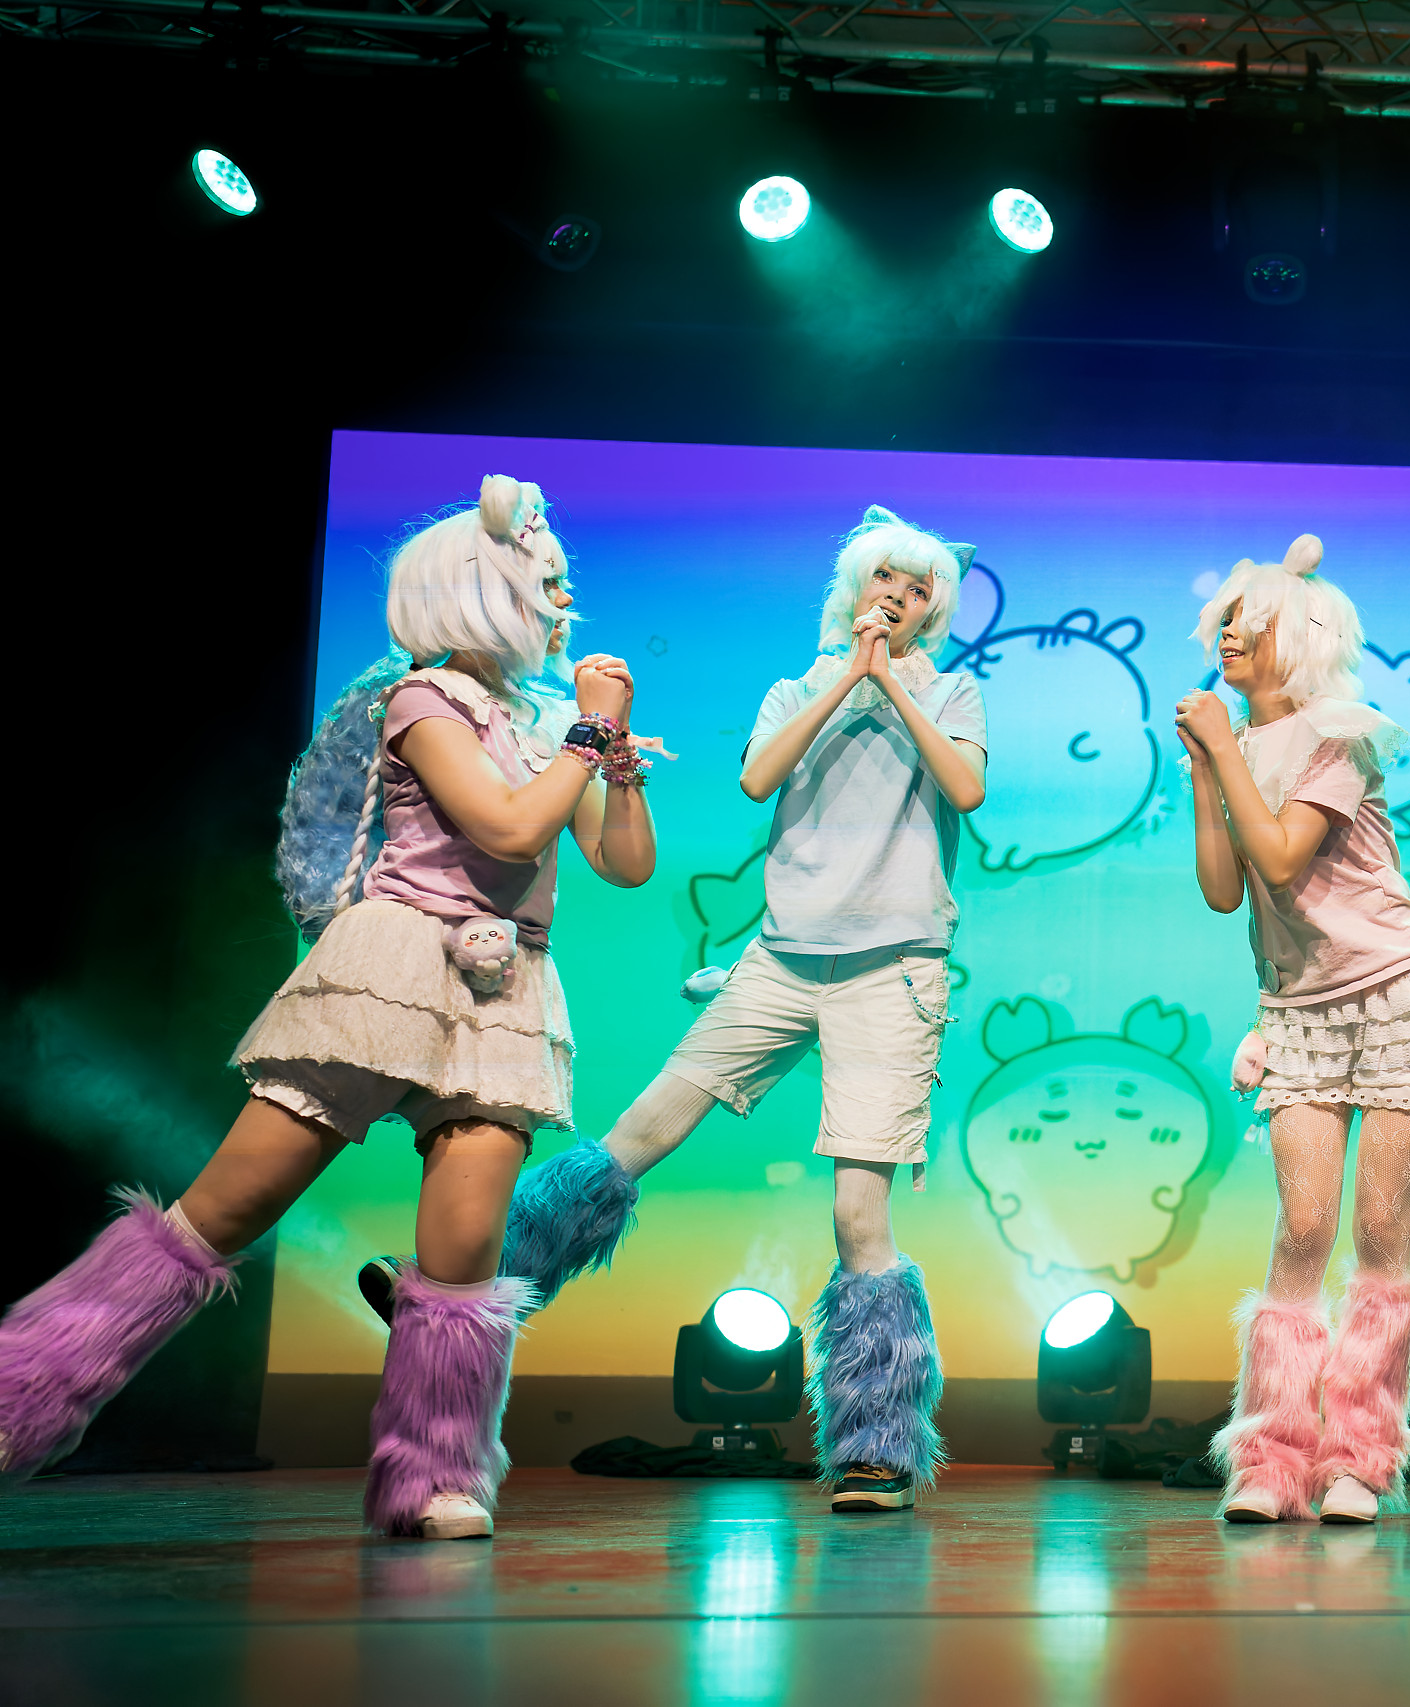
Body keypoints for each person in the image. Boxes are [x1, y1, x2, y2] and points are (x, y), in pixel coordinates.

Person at [0, 476, 656, 1539]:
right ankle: (20, 1394)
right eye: (548, 582)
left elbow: (623, 863)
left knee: (465, 1247)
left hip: (507, 983)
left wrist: (614, 761)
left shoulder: (542, 723)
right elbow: (504, 828)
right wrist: (586, 733)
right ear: (480, 591)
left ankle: (433, 1474)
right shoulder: (422, 700)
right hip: (394, 964)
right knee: (224, 1209)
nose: (564, 602)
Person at [473, 505, 985, 1517]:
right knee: (640, 1130)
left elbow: (964, 789)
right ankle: (469, 1285)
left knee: (858, 1212)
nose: (898, 596)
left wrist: (892, 681)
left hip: (894, 971)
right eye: (885, 578)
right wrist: (847, 677)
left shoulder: (953, 690)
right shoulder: (798, 687)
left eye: (919, 587)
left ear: (935, 609)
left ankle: (877, 1448)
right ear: (854, 588)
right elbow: (756, 777)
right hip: (782, 958)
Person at [1176, 534, 1410, 1525]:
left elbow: (1279, 858)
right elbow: (1225, 889)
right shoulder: (1232, 740)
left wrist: (1223, 750)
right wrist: (1206, 767)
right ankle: (1269, 1459)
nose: (1230, 633)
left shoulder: (1340, 735)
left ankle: (1360, 1457)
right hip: (1298, 1010)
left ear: (1300, 636)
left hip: (1398, 996)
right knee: (1303, 1229)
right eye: (1225, 618)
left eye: (1250, 619)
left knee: (1380, 1231)